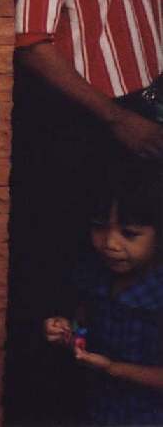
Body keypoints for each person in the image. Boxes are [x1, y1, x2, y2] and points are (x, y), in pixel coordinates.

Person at [7, 0, 162, 424]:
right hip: (94, 122)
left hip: (147, 108)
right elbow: (34, 43)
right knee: (93, 264)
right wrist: (115, 116)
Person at [42, 161, 163, 425]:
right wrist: (67, 332)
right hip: (101, 410)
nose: (109, 243)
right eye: (98, 226)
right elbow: (82, 323)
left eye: (129, 234)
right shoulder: (93, 274)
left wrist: (113, 368)